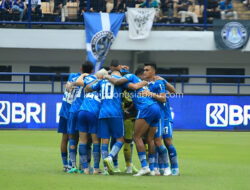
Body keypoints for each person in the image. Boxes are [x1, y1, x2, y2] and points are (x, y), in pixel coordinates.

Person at [86, 70, 147, 175]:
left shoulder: (102, 82)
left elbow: (87, 89)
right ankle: (110, 158)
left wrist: (98, 79)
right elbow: (133, 87)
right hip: (116, 113)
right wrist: (145, 82)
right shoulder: (120, 81)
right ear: (119, 74)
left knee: (105, 140)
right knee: (120, 139)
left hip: (103, 113)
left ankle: (105, 170)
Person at [104, 70, 161, 176]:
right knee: (150, 139)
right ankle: (152, 168)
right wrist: (129, 110)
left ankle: (144, 166)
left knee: (136, 137)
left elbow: (118, 82)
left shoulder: (129, 78)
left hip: (146, 108)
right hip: (155, 107)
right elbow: (135, 96)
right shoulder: (139, 82)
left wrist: (106, 77)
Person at [76, 68, 108, 175]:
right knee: (95, 141)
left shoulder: (90, 83)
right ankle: (96, 168)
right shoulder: (104, 86)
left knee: (82, 141)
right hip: (93, 113)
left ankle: (85, 168)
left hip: (82, 111)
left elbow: (77, 83)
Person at [142, 63, 172, 176]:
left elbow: (163, 98)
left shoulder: (158, 83)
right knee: (150, 142)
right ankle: (153, 168)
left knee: (157, 141)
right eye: (144, 70)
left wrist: (150, 94)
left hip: (157, 115)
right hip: (146, 115)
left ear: (153, 72)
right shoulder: (144, 84)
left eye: (147, 70)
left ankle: (167, 167)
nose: (144, 72)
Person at [66, 61, 93, 174]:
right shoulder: (92, 78)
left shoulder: (75, 78)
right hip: (85, 109)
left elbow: (68, 87)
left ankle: (72, 165)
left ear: (81, 68)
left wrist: (70, 84)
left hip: (73, 110)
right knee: (87, 140)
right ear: (92, 70)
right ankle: (84, 165)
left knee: (72, 138)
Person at [57, 72, 79, 172]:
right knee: (73, 138)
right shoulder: (80, 81)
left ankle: (66, 164)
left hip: (64, 111)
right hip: (71, 112)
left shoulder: (71, 78)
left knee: (65, 138)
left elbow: (68, 86)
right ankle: (70, 164)